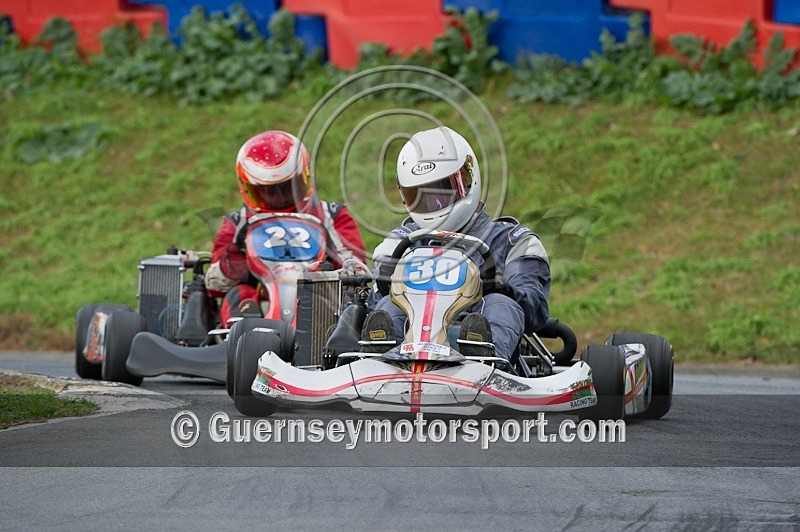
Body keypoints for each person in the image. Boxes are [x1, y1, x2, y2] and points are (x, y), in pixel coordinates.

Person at [364, 126, 550, 360]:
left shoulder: (513, 240)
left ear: (469, 179)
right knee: (390, 304)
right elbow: (371, 304)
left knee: (501, 303)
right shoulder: (398, 243)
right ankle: (379, 361)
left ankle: (485, 357)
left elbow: (534, 310)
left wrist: (500, 288)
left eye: (442, 192)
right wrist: (383, 286)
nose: (434, 205)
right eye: (420, 196)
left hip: (476, 341)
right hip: (406, 349)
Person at [205, 130, 366, 324]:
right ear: (247, 188)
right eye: (268, 191)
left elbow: (358, 272)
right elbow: (213, 285)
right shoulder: (237, 223)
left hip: (320, 307)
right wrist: (233, 262)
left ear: (305, 178)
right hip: (263, 309)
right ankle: (245, 336)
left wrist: (330, 255)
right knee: (239, 294)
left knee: (350, 298)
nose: (280, 198)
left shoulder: (331, 215)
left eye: (287, 187)